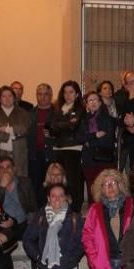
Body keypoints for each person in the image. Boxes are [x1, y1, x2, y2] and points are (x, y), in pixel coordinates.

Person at [49, 81, 86, 212]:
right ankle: (60, 208)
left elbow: (73, 126)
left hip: (73, 149)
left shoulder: (80, 109)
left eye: (71, 92)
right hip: (58, 148)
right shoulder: (58, 108)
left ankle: (74, 210)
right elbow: (51, 127)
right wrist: (64, 124)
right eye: (65, 92)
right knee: (59, 181)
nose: (67, 95)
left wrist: (60, 125)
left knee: (73, 182)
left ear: (77, 94)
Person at [80, 91, 118, 199]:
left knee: (106, 189)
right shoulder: (83, 120)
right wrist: (95, 135)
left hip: (104, 158)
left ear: (100, 103)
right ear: (86, 104)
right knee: (91, 188)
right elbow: (79, 137)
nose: (93, 102)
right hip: (88, 159)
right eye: (90, 100)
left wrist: (89, 141)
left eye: (95, 99)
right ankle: (94, 214)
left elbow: (107, 140)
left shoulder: (108, 119)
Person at [0, 85, 30, 177]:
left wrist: (7, 129)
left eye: (10, 96)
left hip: (18, 151)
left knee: (18, 178)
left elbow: (24, 129)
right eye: (4, 96)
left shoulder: (23, 113)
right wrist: (14, 133)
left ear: (14, 98)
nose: (7, 99)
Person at [0, 154, 37, 242]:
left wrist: (32, 223)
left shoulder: (25, 183)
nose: (5, 171)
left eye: (8, 167)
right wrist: (2, 187)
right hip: (4, 224)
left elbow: (33, 207)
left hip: (23, 223)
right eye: (1, 168)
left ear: (14, 169)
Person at [27, 83, 56, 203]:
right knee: (36, 186)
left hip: (52, 154)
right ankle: (38, 214)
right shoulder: (30, 113)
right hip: (34, 155)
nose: (42, 97)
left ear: (51, 96)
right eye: (39, 94)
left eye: (46, 94)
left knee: (52, 185)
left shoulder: (57, 113)